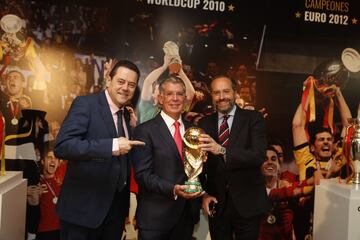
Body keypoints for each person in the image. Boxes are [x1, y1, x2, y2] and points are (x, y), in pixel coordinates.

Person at [54, 60, 145, 240]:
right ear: (108, 80)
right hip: (82, 213)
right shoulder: (86, 104)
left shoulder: (127, 115)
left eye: (131, 85)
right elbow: (63, 146)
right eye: (121, 81)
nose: (125, 88)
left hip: (115, 215)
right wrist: (111, 146)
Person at [198, 76, 269, 240]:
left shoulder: (253, 118)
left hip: (248, 203)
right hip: (217, 204)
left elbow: (258, 156)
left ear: (235, 93)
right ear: (212, 96)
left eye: (226, 91)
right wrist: (203, 194)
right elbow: (198, 164)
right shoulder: (204, 123)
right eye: (216, 93)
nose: (221, 97)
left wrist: (222, 150)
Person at [132, 76, 203, 240]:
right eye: (169, 94)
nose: (175, 99)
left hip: (186, 217)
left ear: (185, 99)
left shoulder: (195, 131)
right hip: (155, 219)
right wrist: (173, 188)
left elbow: (197, 170)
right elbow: (143, 175)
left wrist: (203, 192)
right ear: (160, 98)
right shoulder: (145, 130)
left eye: (179, 94)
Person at [37, 146, 62, 240]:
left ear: (59, 163)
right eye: (49, 157)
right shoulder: (37, 182)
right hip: (45, 232)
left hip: (63, 230)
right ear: (43, 161)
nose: (53, 161)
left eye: (56, 158)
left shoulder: (62, 183)